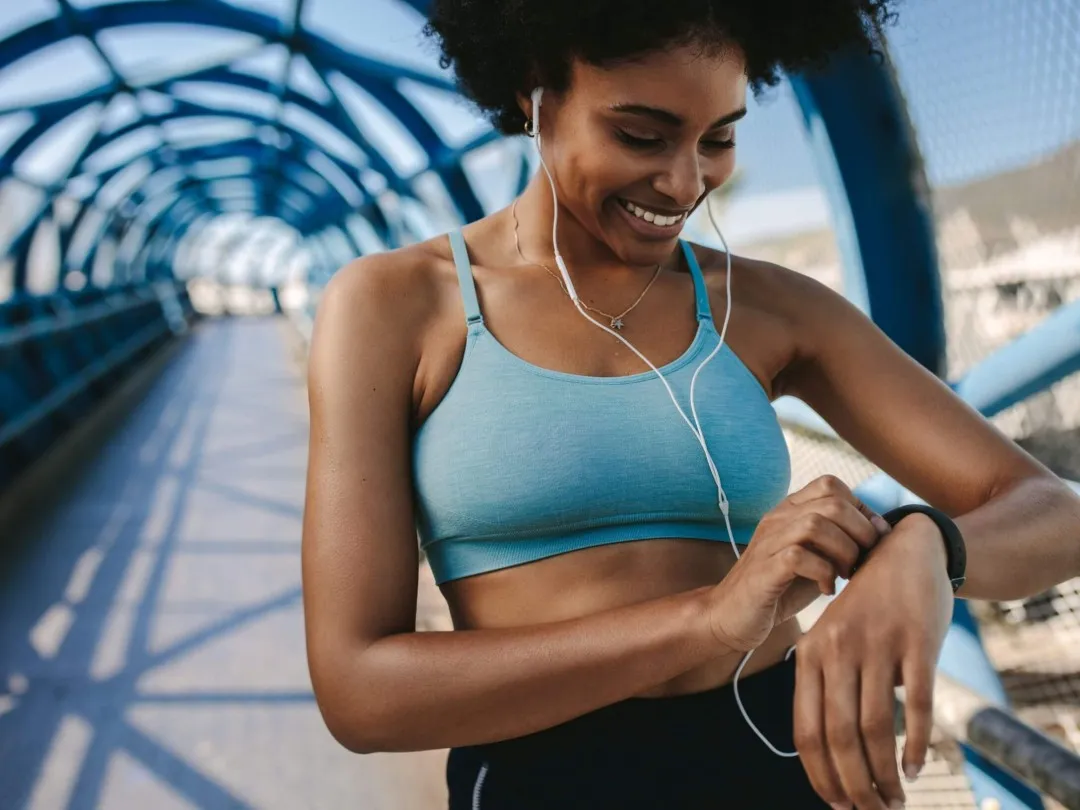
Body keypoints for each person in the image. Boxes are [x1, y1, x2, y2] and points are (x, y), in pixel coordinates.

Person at [300, 1, 1080, 808]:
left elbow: (1051, 512)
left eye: (719, 139)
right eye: (640, 135)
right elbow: (360, 692)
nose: (685, 184)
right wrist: (708, 621)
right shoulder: (395, 306)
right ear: (534, 90)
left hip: (789, 765)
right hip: (540, 782)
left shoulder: (770, 308)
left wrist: (926, 548)